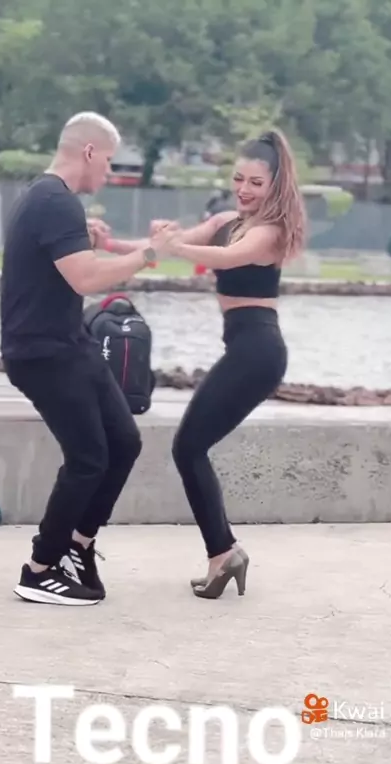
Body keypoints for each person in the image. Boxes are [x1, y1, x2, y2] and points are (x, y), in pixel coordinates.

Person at [106, 129, 306, 599]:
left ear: (275, 185)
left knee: (188, 447)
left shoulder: (270, 233)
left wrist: (175, 247)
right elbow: (159, 247)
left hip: (260, 353)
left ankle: (224, 552)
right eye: (239, 179)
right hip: (243, 350)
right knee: (189, 447)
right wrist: (110, 243)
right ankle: (223, 554)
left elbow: (225, 257)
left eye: (255, 182)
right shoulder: (225, 220)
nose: (244, 189)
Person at [0, 111, 175, 606]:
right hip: (42, 353)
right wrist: (150, 254)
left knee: (124, 442)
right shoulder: (55, 201)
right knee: (88, 459)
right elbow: (87, 279)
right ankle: (39, 569)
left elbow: (69, 262)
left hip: (70, 344)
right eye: (109, 161)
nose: (109, 172)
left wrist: (89, 239)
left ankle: (79, 544)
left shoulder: (51, 199)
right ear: (90, 151)